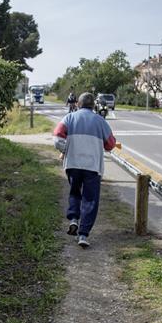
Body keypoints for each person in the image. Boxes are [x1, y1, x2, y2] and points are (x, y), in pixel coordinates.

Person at [53, 92, 116, 248]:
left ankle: (74, 218)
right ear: (93, 106)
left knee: (75, 191)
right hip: (92, 166)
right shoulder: (100, 121)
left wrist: (65, 149)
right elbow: (110, 144)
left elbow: (57, 137)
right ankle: (83, 234)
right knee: (90, 199)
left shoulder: (69, 118)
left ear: (78, 104)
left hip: (73, 164)